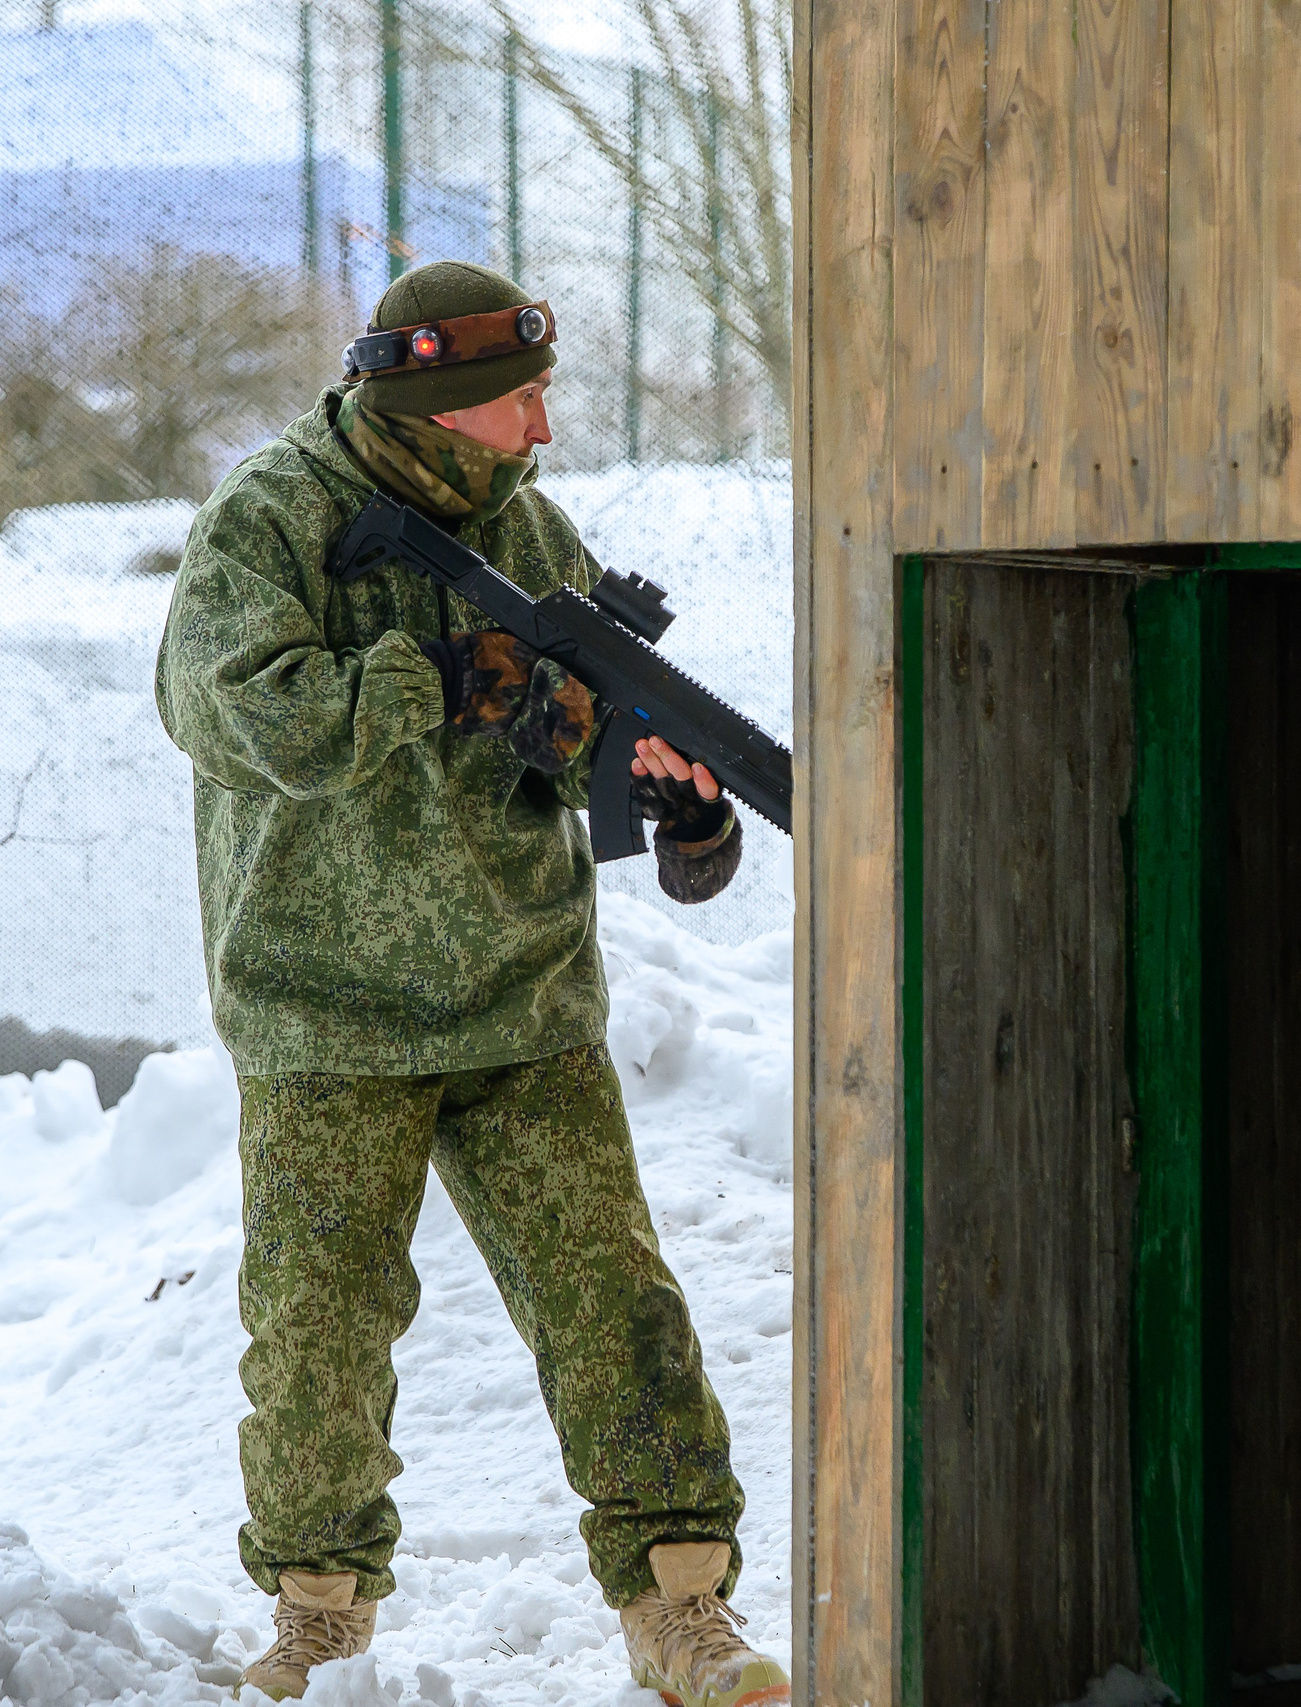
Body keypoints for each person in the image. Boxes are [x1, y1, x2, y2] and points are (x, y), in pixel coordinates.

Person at [155, 259, 786, 1707]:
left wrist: (674, 807)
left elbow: (567, 745)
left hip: (522, 997)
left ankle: (683, 1605)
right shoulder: (276, 518)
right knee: (317, 1330)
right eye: (516, 407)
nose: (543, 434)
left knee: (614, 1306)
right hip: (325, 1005)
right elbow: (231, 708)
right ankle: (317, 1617)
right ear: (433, 409)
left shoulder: (528, 528)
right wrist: (438, 677)